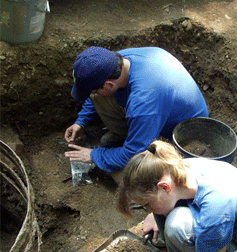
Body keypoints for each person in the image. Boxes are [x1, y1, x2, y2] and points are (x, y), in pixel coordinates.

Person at [64, 46, 208, 183]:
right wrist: (81, 122)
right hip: (156, 112)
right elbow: (95, 94)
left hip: (183, 135)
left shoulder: (144, 101)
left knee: (129, 176)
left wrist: (93, 156)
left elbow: (134, 154)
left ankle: (135, 142)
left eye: (93, 90)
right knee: (99, 97)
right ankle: (130, 136)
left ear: (109, 85)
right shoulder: (116, 61)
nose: (91, 94)